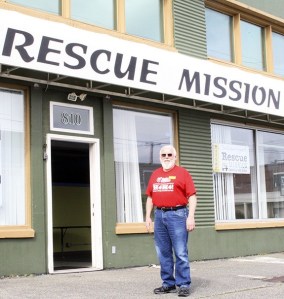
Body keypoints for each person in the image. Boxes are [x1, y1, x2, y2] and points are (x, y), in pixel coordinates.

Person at [145, 145, 197, 297]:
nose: (166, 157)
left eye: (169, 154)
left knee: (180, 252)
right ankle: (168, 284)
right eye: (163, 155)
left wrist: (191, 216)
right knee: (163, 252)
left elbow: (192, 197)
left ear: (175, 157)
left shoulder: (183, 173)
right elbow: (150, 197)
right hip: (159, 215)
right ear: (160, 157)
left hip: (178, 214)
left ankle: (183, 284)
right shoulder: (155, 174)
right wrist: (148, 216)